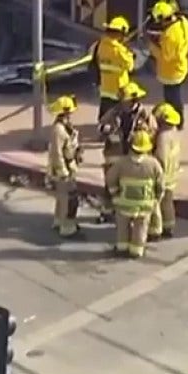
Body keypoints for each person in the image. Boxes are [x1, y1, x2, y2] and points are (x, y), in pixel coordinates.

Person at [98, 82, 156, 223]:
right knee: (110, 184)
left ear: (133, 101)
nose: (122, 104)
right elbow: (101, 126)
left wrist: (144, 134)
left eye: (125, 101)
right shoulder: (114, 112)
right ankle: (107, 212)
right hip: (115, 156)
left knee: (131, 185)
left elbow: (153, 131)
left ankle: (129, 215)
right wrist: (107, 130)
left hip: (134, 155)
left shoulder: (145, 115)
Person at [106, 130, 165, 259]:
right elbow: (160, 184)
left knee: (123, 227)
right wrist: (157, 198)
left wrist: (114, 194)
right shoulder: (153, 164)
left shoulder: (121, 163)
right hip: (144, 205)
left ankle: (122, 248)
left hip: (124, 203)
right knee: (141, 227)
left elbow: (110, 178)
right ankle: (137, 250)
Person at [145, 0, 188, 128]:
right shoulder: (182, 21)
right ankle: (177, 119)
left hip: (171, 72)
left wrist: (151, 46)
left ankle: (177, 121)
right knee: (174, 96)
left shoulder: (170, 36)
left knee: (172, 98)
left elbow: (165, 56)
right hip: (181, 66)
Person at [46, 95, 84, 239]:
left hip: (69, 165)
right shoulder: (59, 130)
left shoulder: (65, 127)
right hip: (63, 168)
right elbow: (57, 152)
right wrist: (63, 171)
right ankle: (67, 228)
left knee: (62, 197)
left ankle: (58, 221)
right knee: (67, 199)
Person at [147, 103, 182, 241]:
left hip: (163, 175)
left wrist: (155, 172)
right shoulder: (175, 134)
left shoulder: (163, 137)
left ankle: (155, 230)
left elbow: (160, 156)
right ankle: (169, 226)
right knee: (168, 202)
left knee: (156, 203)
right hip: (173, 173)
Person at [91, 15, 135, 124]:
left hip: (105, 85)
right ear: (121, 34)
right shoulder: (119, 50)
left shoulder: (100, 45)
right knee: (122, 113)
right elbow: (130, 66)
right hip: (119, 87)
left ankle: (103, 128)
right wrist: (129, 53)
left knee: (105, 109)